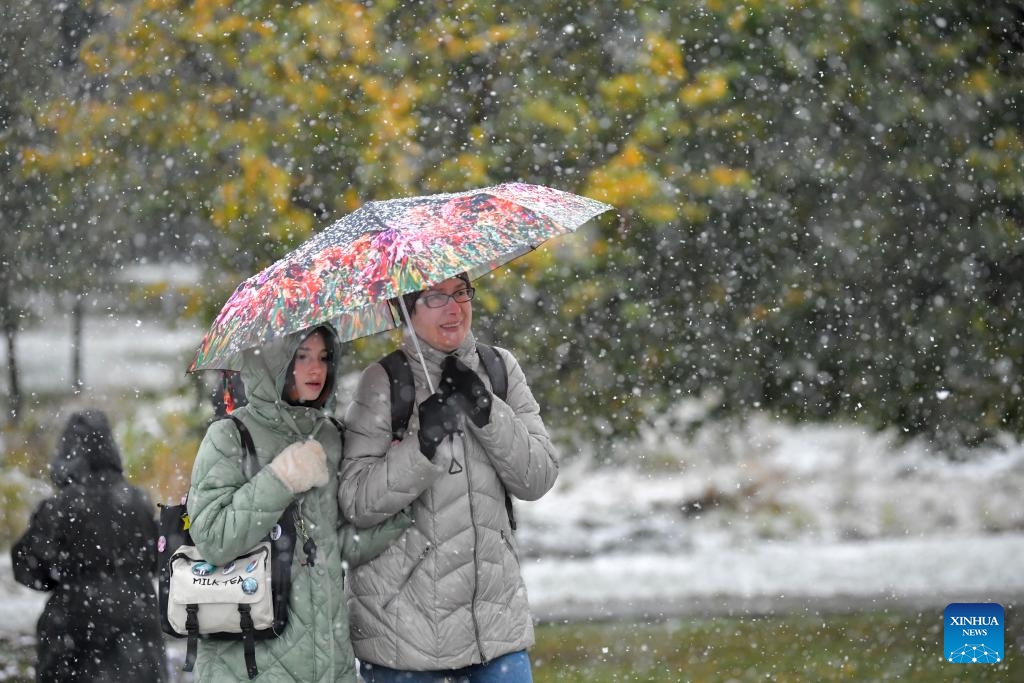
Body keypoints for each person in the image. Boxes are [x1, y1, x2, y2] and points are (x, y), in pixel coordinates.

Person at [340, 273, 560, 682]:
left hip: (495, 630)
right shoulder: (384, 382)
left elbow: (538, 478)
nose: (454, 308)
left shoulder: (499, 369)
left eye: (460, 292)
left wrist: (487, 411)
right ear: (406, 309)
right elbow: (356, 502)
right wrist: (422, 445)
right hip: (403, 637)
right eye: (436, 297)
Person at [186, 325, 411, 682]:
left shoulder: (331, 435)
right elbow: (213, 539)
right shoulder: (229, 436)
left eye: (323, 358)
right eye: (301, 356)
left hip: (328, 662)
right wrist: (281, 479)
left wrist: (402, 501)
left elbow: (338, 545)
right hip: (248, 665)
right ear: (273, 363)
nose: (316, 369)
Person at [11, 409, 167, 682]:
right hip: (138, 624)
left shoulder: (60, 507)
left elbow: (27, 567)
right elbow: (159, 558)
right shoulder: (138, 502)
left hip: (77, 631)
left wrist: (66, 576)